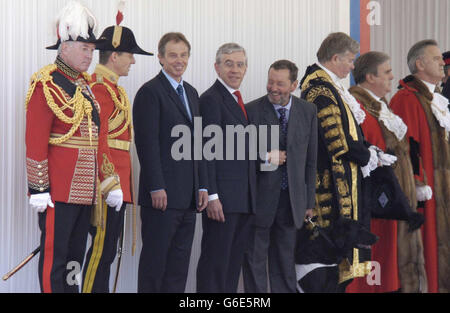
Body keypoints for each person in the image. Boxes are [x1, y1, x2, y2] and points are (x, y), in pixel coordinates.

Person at [25, 1, 122, 293]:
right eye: (84, 49)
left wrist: (108, 181)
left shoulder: (85, 86)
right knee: (55, 258)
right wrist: (39, 189)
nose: (90, 56)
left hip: (86, 192)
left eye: (92, 51)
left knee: (74, 261)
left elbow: (98, 139)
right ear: (64, 47)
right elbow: (35, 139)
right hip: (58, 190)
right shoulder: (46, 83)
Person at [296, 32, 380, 292]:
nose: (353, 66)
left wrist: (370, 149)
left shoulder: (331, 86)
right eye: (350, 60)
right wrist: (368, 156)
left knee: (336, 265)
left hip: (339, 179)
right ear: (335, 58)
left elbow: (350, 132)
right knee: (326, 264)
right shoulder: (319, 88)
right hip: (328, 186)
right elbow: (336, 140)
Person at [81, 17, 153, 293]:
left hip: (116, 184)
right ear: (114, 56)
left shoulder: (113, 88)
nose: (133, 61)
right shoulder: (99, 88)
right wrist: (109, 181)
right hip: (106, 186)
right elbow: (97, 140)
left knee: (107, 251)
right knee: (100, 252)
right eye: (129, 55)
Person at [133, 32, 208, 293]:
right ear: (161, 58)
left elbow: (197, 145)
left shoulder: (191, 92)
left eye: (184, 55)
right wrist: (155, 186)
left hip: (188, 199)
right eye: (173, 55)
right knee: (155, 266)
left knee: (178, 269)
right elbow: (146, 144)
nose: (179, 60)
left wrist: (202, 186)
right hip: (162, 198)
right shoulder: (150, 92)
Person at [348, 51, 428, 293]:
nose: (393, 76)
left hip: (390, 198)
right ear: (370, 77)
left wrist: (414, 183)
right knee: (371, 262)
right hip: (372, 201)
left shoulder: (380, 106)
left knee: (387, 262)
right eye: (387, 72)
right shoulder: (357, 106)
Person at [242, 60, 317, 293]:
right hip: (259, 201)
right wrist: (265, 157)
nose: (273, 88)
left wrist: (308, 201)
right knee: (254, 259)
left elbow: (311, 160)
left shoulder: (308, 110)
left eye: (280, 84)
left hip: (291, 201)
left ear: (294, 84)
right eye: (270, 81)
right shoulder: (251, 110)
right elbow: (240, 155)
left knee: (284, 262)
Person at [390, 39, 450, 293]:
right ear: (419, 64)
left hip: (444, 191)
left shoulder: (435, 98)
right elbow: (405, 150)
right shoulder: (406, 99)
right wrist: (417, 185)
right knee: (427, 255)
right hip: (426, 196)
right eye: (436, 58)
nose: (442, 62)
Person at [196, 43, 257, 293]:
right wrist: (212, 195)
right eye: (229, 64)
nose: (235, 69)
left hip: (242, 200)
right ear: (217, 67)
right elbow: (205, 152)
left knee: (231, 267)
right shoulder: (211, 100)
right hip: (222, 202)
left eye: (240, 64)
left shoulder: (239, 100)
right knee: (216, 266)